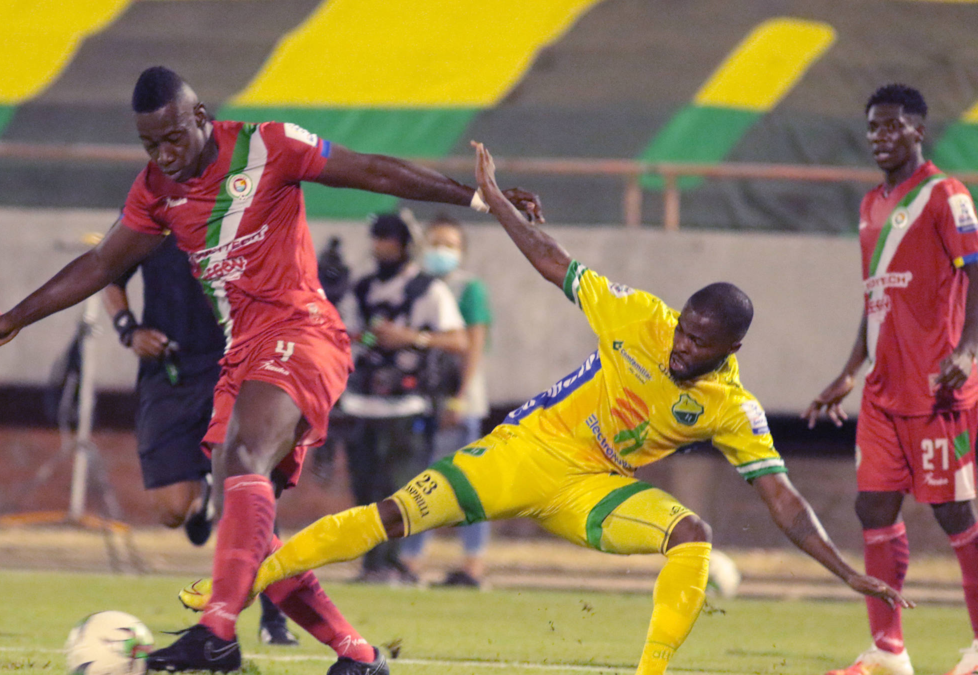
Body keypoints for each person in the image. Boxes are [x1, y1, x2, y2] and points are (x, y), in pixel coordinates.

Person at [179, 141, 909, 675]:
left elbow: (782, 499)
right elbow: (554, 261)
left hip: (591, 490)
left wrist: (844, 571)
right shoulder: (641, 317)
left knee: (692, 534)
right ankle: (232, 590)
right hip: (521, 453)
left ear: (731, 348)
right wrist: (494, 200)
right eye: (684, 330)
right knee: (390, 517)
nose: (682, 346)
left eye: (699, 343)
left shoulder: (732, 407)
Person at [0, 66, 541, 675]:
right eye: (149, 144)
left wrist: (478, 197)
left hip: (303, 331)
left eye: (172, 138)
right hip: (241, 351)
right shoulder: (155, 188)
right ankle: (358, 654)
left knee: (245, 458)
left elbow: (372, 171)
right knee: (248, 527)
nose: (164, 155)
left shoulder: (268, 145)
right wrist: (17, 317)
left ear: (201, 117)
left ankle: (216, 634)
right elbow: (103, 262)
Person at [804, 84, 978, 675]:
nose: (880, 136)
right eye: (873, 127)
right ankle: (887, 652)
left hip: (938, 390)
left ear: (917, 130)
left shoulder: (945, 195)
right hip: (883, 393)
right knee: (873, 508)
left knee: (955, 513)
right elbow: (875, 298)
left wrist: (968, 349)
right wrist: (849, 370)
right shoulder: (869, 205)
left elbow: (976, 274)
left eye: (891, 126)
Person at [102, 232, 297, 646]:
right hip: (168, 371)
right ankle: (203, 498)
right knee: (172, 510)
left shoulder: (239, 209)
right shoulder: (150, 211)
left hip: (232, 363)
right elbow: (107, 272)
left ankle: (275, 617)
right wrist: (128, 330)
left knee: (252, 482)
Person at [338, 212, 467, 582]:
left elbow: (458, 340)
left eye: (390, 240)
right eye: (378, 239)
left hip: (407, 404)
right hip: (362, 403)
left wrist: (410, 338)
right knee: (364, 488)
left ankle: (391, 562)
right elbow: (344, 334)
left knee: (398, 489)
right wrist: (366, 337)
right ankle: (372, 564)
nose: (383, 247)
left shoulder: (428, 290)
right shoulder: (361, 288)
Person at [400, 213, 494, 588]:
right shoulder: (415, 285)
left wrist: (459, 398)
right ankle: (410, 562)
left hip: (458, 401)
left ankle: (472, 566)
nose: (441, 251)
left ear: (462, 252)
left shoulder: (467, 288)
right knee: (419, 483)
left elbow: (473, 345)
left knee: (466, 484)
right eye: (435, 243)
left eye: (450, 245)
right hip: (422, 398)